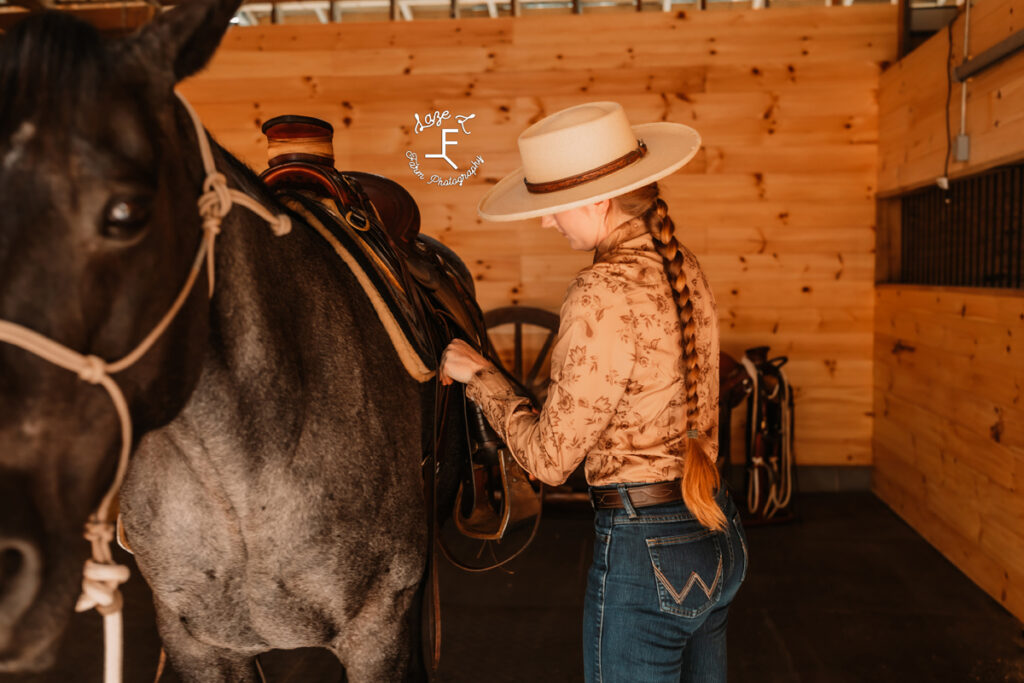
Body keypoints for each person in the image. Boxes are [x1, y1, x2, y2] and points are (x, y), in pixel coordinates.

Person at [439, 101, 748, 683]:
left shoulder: (599, 290)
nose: (546, 222)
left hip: (646, 550)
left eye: (554, 208)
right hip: (716, 527)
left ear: (599, 199)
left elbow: (551, 461)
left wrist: (481, 378)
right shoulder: (684, 265)